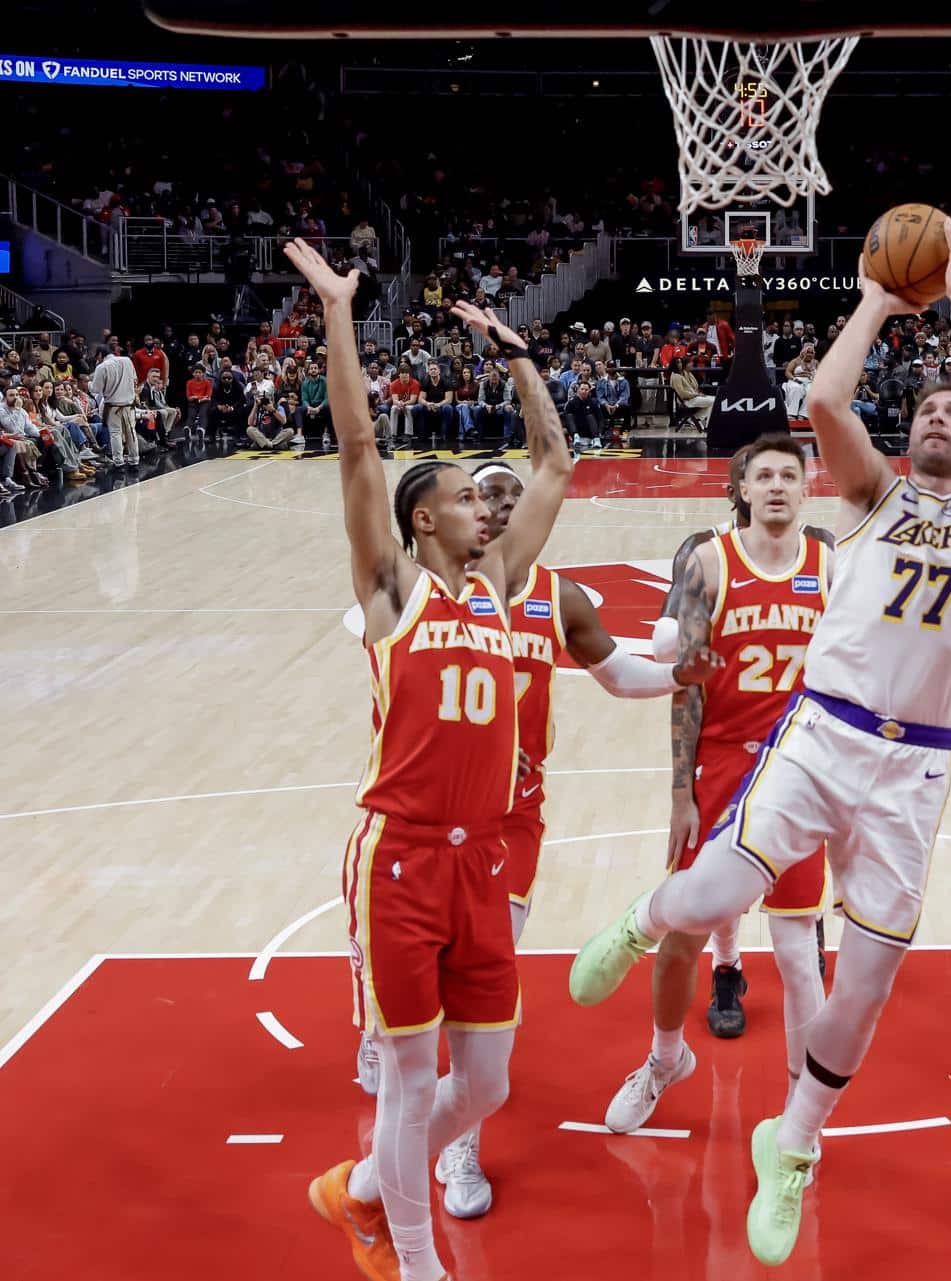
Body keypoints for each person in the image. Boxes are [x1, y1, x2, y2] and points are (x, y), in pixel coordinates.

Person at [568, 197, 951, 1267]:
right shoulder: (869, 499)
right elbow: (824, 397)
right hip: (821, 732)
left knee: (861, 989)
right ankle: (644, 920)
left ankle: (795, 1144)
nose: (937, 420)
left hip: (913, 769)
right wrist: (875, 297)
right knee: (718, 888)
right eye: (924, 411)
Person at [286, 238, 578, 1281]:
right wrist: (336, 312)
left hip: (484, 863)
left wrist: (516, 355)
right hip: (401, 859)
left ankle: (355, 1187)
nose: (484, 509)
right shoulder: (392, 592)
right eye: (464, 498)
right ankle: (411, 1258)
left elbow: (554, 465)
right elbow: (359, 446)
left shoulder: (500, 586)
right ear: (425, 518)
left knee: (486, 1085)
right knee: (411, 1085)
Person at [354, 458, 724, 1218]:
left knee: (487, 966)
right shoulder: (431, 594)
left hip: (510, 815)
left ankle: (452, 1141)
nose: (496, 509)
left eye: (509, 499)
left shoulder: (557, 595)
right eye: (483, 495)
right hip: (426, 815)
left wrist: (683, 674)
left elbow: (621, 673)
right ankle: (411, 1092)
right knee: (418, 1003)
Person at [600, 435, 837, 1138]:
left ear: (806, 488)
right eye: (760, 474)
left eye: (787, 476)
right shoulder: (708, 563)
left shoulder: (833, 564)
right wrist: (682, 791)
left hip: (801, 770)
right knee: (682, 935)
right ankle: (662, 1059)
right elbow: (686, 687)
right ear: (740, 487)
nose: (774, 486)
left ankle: (801, 1116)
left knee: (799, 954)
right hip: (724, 763)